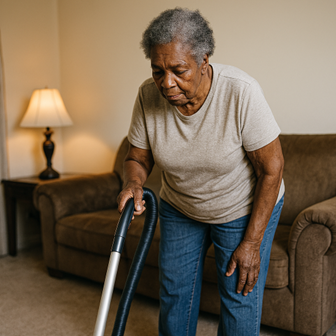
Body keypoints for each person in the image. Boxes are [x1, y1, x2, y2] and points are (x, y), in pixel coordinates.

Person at [117, 7, 285, 336]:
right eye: (157, 71)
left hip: (240, 207)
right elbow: (137, 157)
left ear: (204, 60)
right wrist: (133, 183)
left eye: (179, 70)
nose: (166, 83)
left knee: (239, 295)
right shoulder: (147, 96)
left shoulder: (240, 92)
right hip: (181, 207)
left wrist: (251, 243)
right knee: (175, 293)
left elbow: (272, 169)